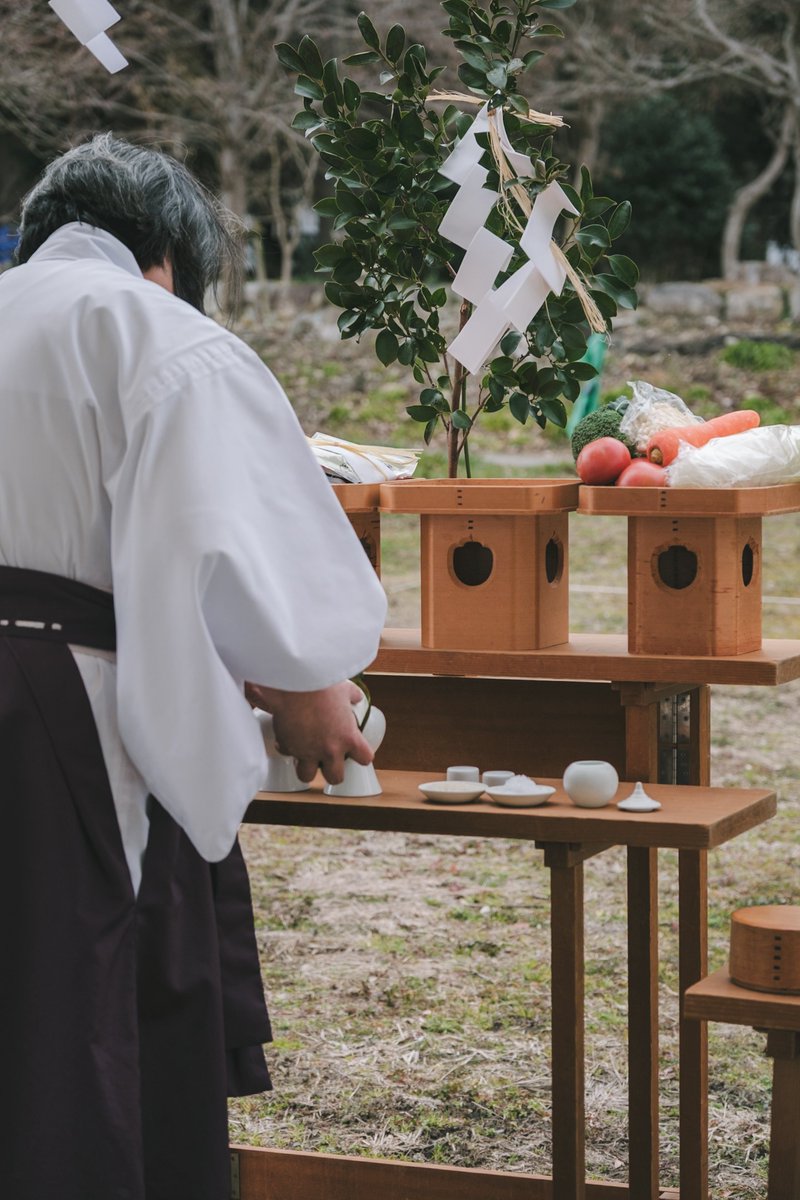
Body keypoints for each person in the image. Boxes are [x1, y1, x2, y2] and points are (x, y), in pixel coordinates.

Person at [0, 134, 387, 1200]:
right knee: (74, 1010)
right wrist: (307, 683)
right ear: (166, 256)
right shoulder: (154, 332)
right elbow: (231, 552)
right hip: (57, 713)